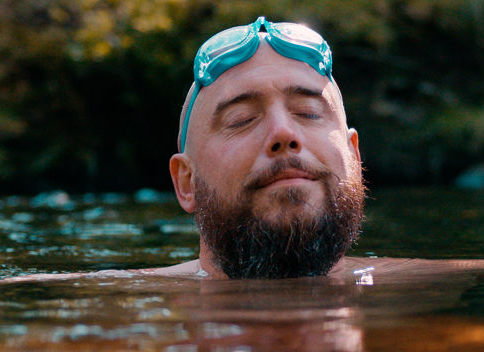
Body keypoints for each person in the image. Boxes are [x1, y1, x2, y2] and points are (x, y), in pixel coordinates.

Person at [156, 17, 368, 280]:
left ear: (355, 159)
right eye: (241, 120)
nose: (282, 132)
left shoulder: (432, 289)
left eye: (308, 112)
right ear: (187, 182)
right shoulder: (114, 304)